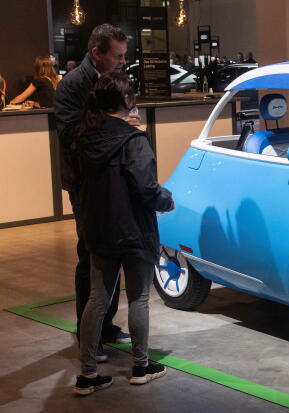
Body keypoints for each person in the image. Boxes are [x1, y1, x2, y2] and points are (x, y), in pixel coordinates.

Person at [73, 72, 174, 395]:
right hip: (134, 230)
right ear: (127, 99)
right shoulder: (134, 141)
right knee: (139, 298)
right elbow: (147, 189)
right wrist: (167, 199)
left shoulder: (85, 139)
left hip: (98, 228)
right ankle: (141, 366)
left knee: (96, 299)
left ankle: (88, 374)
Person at [54, 24, 137, 361]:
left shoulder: (116, 80)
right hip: (85, 183)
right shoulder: (73, 85)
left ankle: (105, 325)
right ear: (96, 53)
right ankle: (87, 333)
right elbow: (71, 137)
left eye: (124, 55)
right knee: (91, 255)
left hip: (114, 179)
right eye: (117, 56)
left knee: (113, 253)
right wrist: (116, 125)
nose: (123, 61)